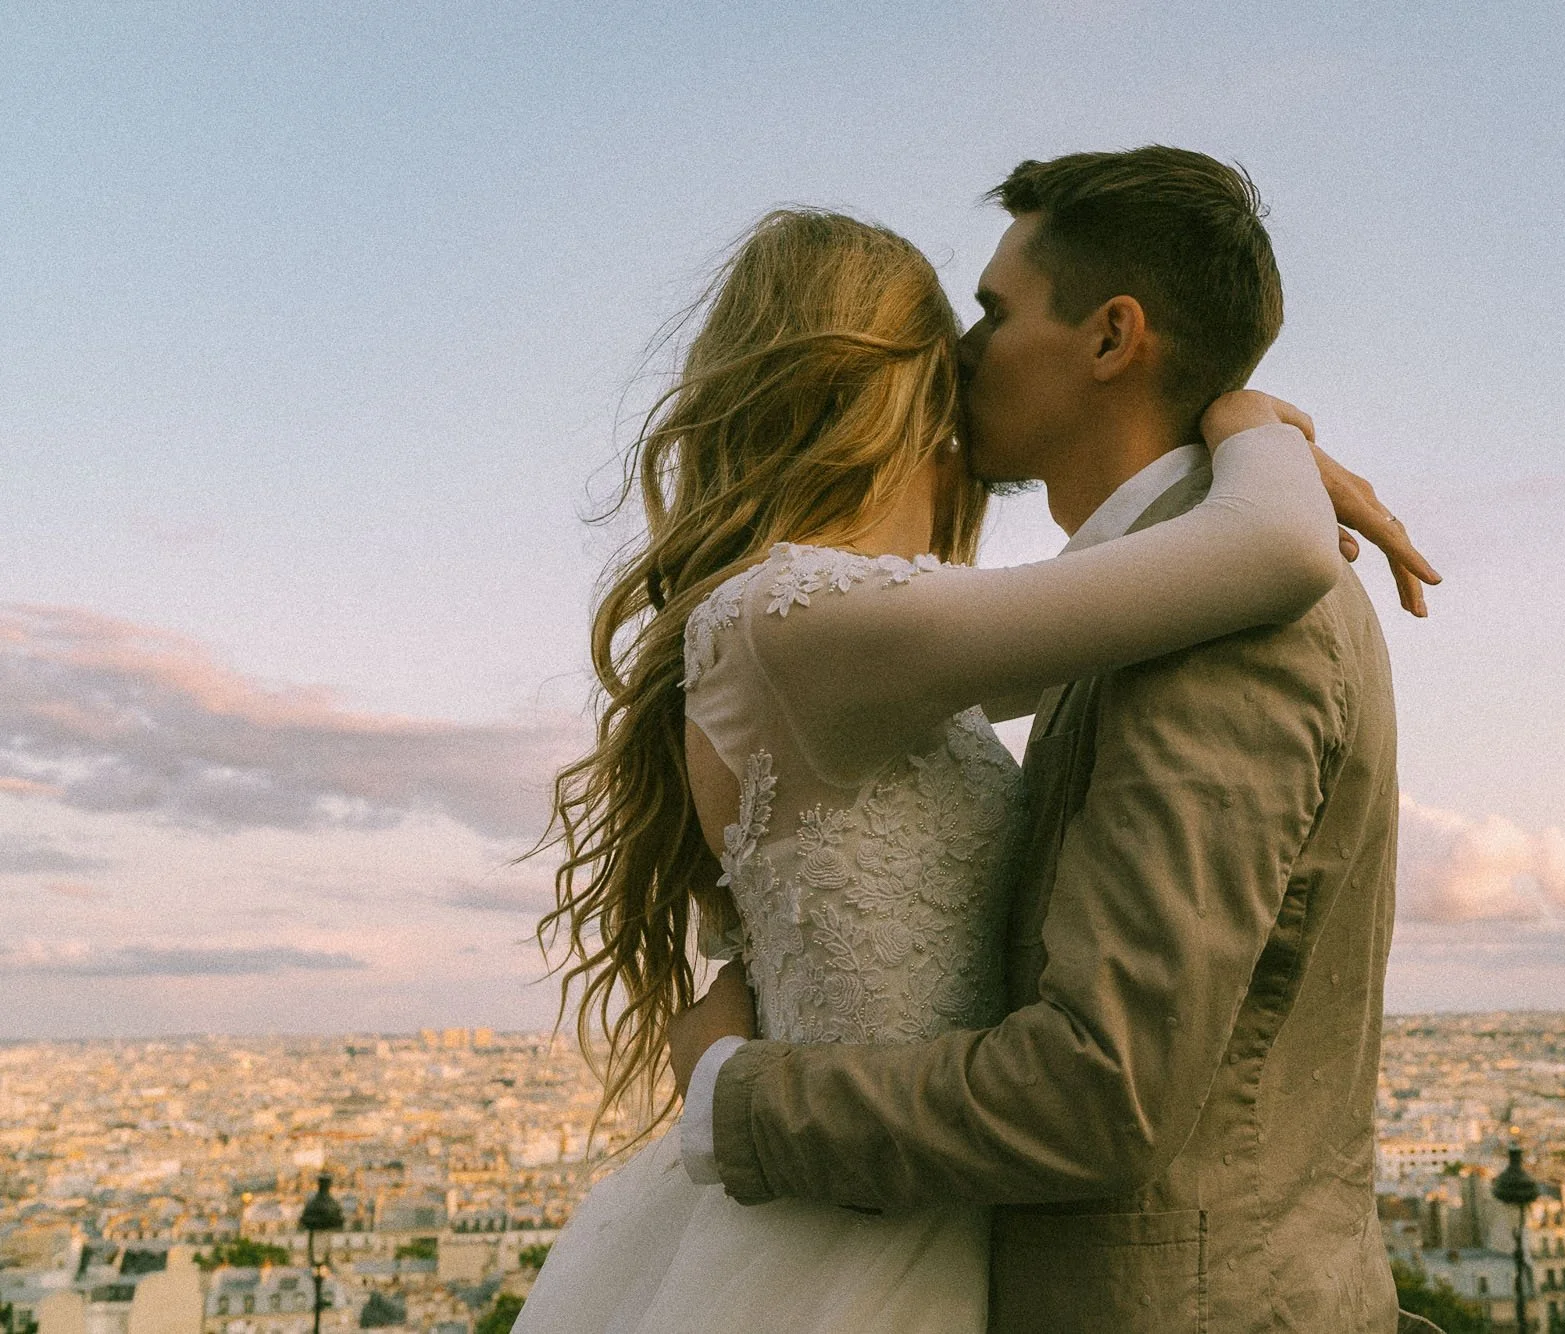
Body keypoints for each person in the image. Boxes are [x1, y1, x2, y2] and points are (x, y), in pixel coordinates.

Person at [523, 149, 1434, 1334]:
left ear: (1111, 339)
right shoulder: (808, 620)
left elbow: (1102, 1088)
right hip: (868, 1251)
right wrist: (1252, 427)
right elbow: (1250, 548)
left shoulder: (1195, 620)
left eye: (993, 313)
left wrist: (730, 1101)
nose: (965, 355)